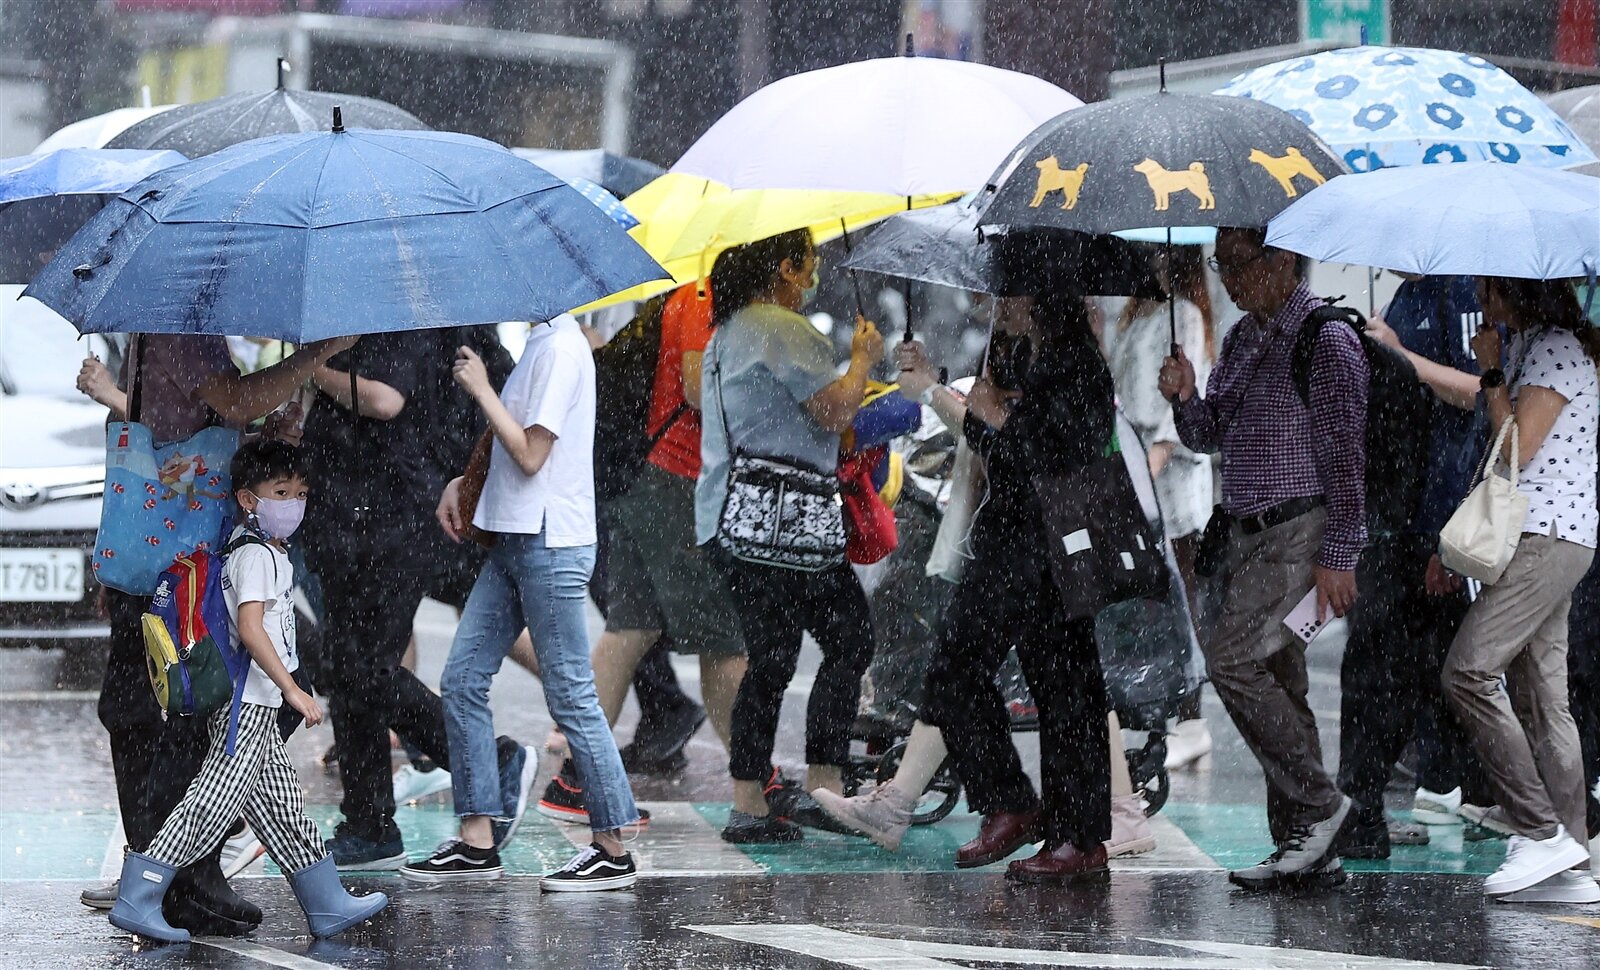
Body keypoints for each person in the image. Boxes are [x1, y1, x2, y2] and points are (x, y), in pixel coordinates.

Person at [73, 333, 355, 930]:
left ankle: (185, 879)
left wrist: (263, 440)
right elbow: (229, 402)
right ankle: (172, 879)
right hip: (183, 569)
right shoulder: (179, 328)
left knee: (195, 726)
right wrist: (314, 358)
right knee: (192, 723)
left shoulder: (159, 330)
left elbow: (180, 431)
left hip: (160, 563)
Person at [106, 441, 388, 943]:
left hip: (257, 703)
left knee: (282, 808)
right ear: (248, 499)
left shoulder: (264, 550)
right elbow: (252, 630)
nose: (294, 503)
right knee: (208, 807)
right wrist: (294, 690)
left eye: (301, 493)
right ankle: (138, 896)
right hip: (247, 706)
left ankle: (326, 903)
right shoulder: (254, 555)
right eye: (281, 492)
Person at [882, 289, 1118, 882]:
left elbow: (1024, 456)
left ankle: (1063, 831)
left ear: (1041, 294)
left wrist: (949, 400)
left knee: (1056, 690)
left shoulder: (1073, 365)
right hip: (1014, 541)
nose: (998, 301)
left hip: (1045, 545)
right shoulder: (1018, 353)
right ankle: (1044, 820)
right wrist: (971, 403)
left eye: (1010, 290)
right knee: (1039, 685)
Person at [1159, 227, 1367, 892]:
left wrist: (1341, 553)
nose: (1226, 280)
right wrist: (1185, 396)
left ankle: (1319, 806)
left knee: (1232, 660)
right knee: (1282, 676)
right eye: (1219, 266)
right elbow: (1207, 435)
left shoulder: (1326, 338)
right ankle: (1303, 848)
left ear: (1282, 259)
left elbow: (1346, 457)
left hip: (1299, 536)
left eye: (1237, 265)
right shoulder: (1249, 336)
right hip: (1248, 538)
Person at [406, 313, 642, 892]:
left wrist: (483, 388)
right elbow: (508, 445)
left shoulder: (562, 347)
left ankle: (611, 847)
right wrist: (464, 481)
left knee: (571, 695)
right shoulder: (541, 342)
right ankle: (477, 839)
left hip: (550, 542)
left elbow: (533, 454)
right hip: (511, 538)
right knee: (462, 681)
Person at [299, 333, 533, 870]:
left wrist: (310, 369)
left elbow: (386, 400)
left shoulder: (394, 318)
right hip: (346, 519)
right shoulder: (357, 316)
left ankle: (487, 762)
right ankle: (369, 823)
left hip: (388, 520)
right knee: (348, 670)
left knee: (366, 670)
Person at [696, 230, 882, 844]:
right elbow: (835, 411)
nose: (814, 276)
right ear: (783, 268)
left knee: (770, 661)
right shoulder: (781, 326)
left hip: (733, 518)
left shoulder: (727, 331)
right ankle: (825, 787)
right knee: (851, 638)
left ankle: (750, 803)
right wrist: (863, 360)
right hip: (791, 523)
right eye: (809, 265)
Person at [538, 283, 749, 823]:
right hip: (679, 482)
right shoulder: (703, 296)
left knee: (628, 630)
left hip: (641, 476)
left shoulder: (675, 298)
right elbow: (700, 390)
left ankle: (580, 779)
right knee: (722, 641)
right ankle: (756, 787)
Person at [1435, 277, 1598, 903]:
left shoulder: (1553, 347)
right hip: (1550, 535)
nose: (1480, 296)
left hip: (1547, 535)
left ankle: (1540, 831)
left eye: (1488, 288)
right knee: (1542, 698)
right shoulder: (1537, 342)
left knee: (1468, 671)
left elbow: (1518, 451)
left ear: (1514, 290)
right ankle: (1572, 860)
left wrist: (1492, 373)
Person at [1332, 275, 1486, 858]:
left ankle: (1513, 802)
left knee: (1432, 672)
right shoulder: (1406, 294)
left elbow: (1481, 392)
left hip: (1437, 520)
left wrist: (1403, 357)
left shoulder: (1463, 291)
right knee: (1385, 669)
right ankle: (1368, 806)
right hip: (1394, 519)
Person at [1104, 245, 1217, 772]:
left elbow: (1190, 396)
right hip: (1134, 466)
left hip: (1167, 475)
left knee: (1182, 593)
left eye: (1158, 253)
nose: (1148, 260)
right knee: (1150, 594)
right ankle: (1154, 707)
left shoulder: (1184, 314)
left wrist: (1155, 454)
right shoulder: (1134, 313)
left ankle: (1192, 719)